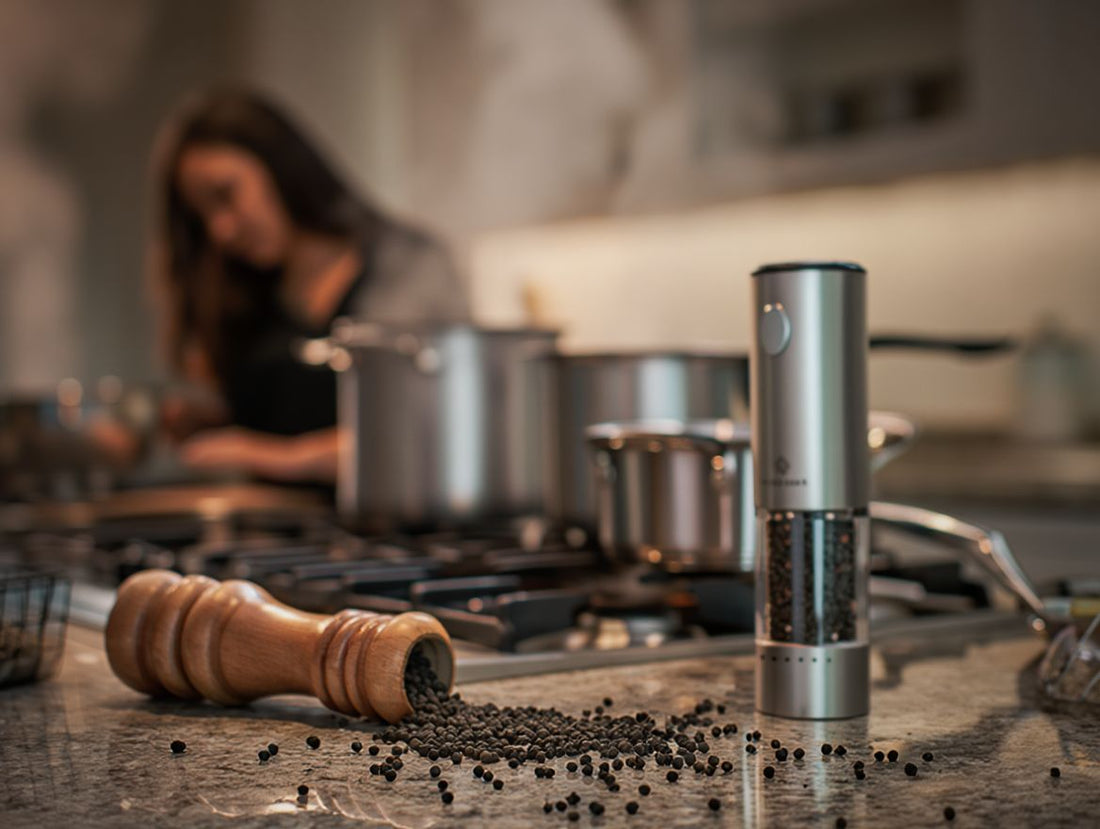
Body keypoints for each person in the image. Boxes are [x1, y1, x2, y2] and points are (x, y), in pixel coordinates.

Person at [151, 88, 469, 483]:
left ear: (278, 164)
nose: (221, 230)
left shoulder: (408, 268)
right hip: (264, 539)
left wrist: (277, 456)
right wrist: (203, 422)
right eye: (203, 215)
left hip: (386, 534)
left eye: (226, 194)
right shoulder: (242, 295)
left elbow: (425, 433)